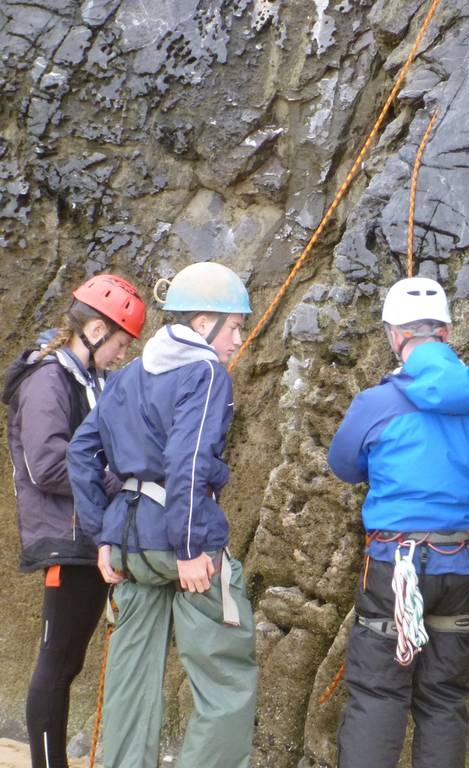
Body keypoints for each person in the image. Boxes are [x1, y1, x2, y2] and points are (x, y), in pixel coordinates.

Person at [327, 276, 469, 768]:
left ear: (395, 336)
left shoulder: (377, 404)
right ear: (448, 332)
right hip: (463, 567)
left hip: (395, 568)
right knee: (443, 698)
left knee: (378, 693)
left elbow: (344, 466)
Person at [67, 262, 258, 767]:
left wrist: (101, 536)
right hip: (182, 548)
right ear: (202, 324)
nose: (238, 338)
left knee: (130, 676)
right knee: (225, 678)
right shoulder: (206, 373)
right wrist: (192, 547)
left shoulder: (129, 374)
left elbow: (81, 452)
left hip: (130, 543)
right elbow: (188, 460)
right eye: (234, 326)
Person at [2, 274, 145, 768]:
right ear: (97, 330)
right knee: (57, 661)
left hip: (86, 534)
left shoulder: (86, 380)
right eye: (121, 342)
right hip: (68, 536)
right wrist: (118, 482)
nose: (122, 354)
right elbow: (47, 464)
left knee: (67, 662)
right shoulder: (49, 379)